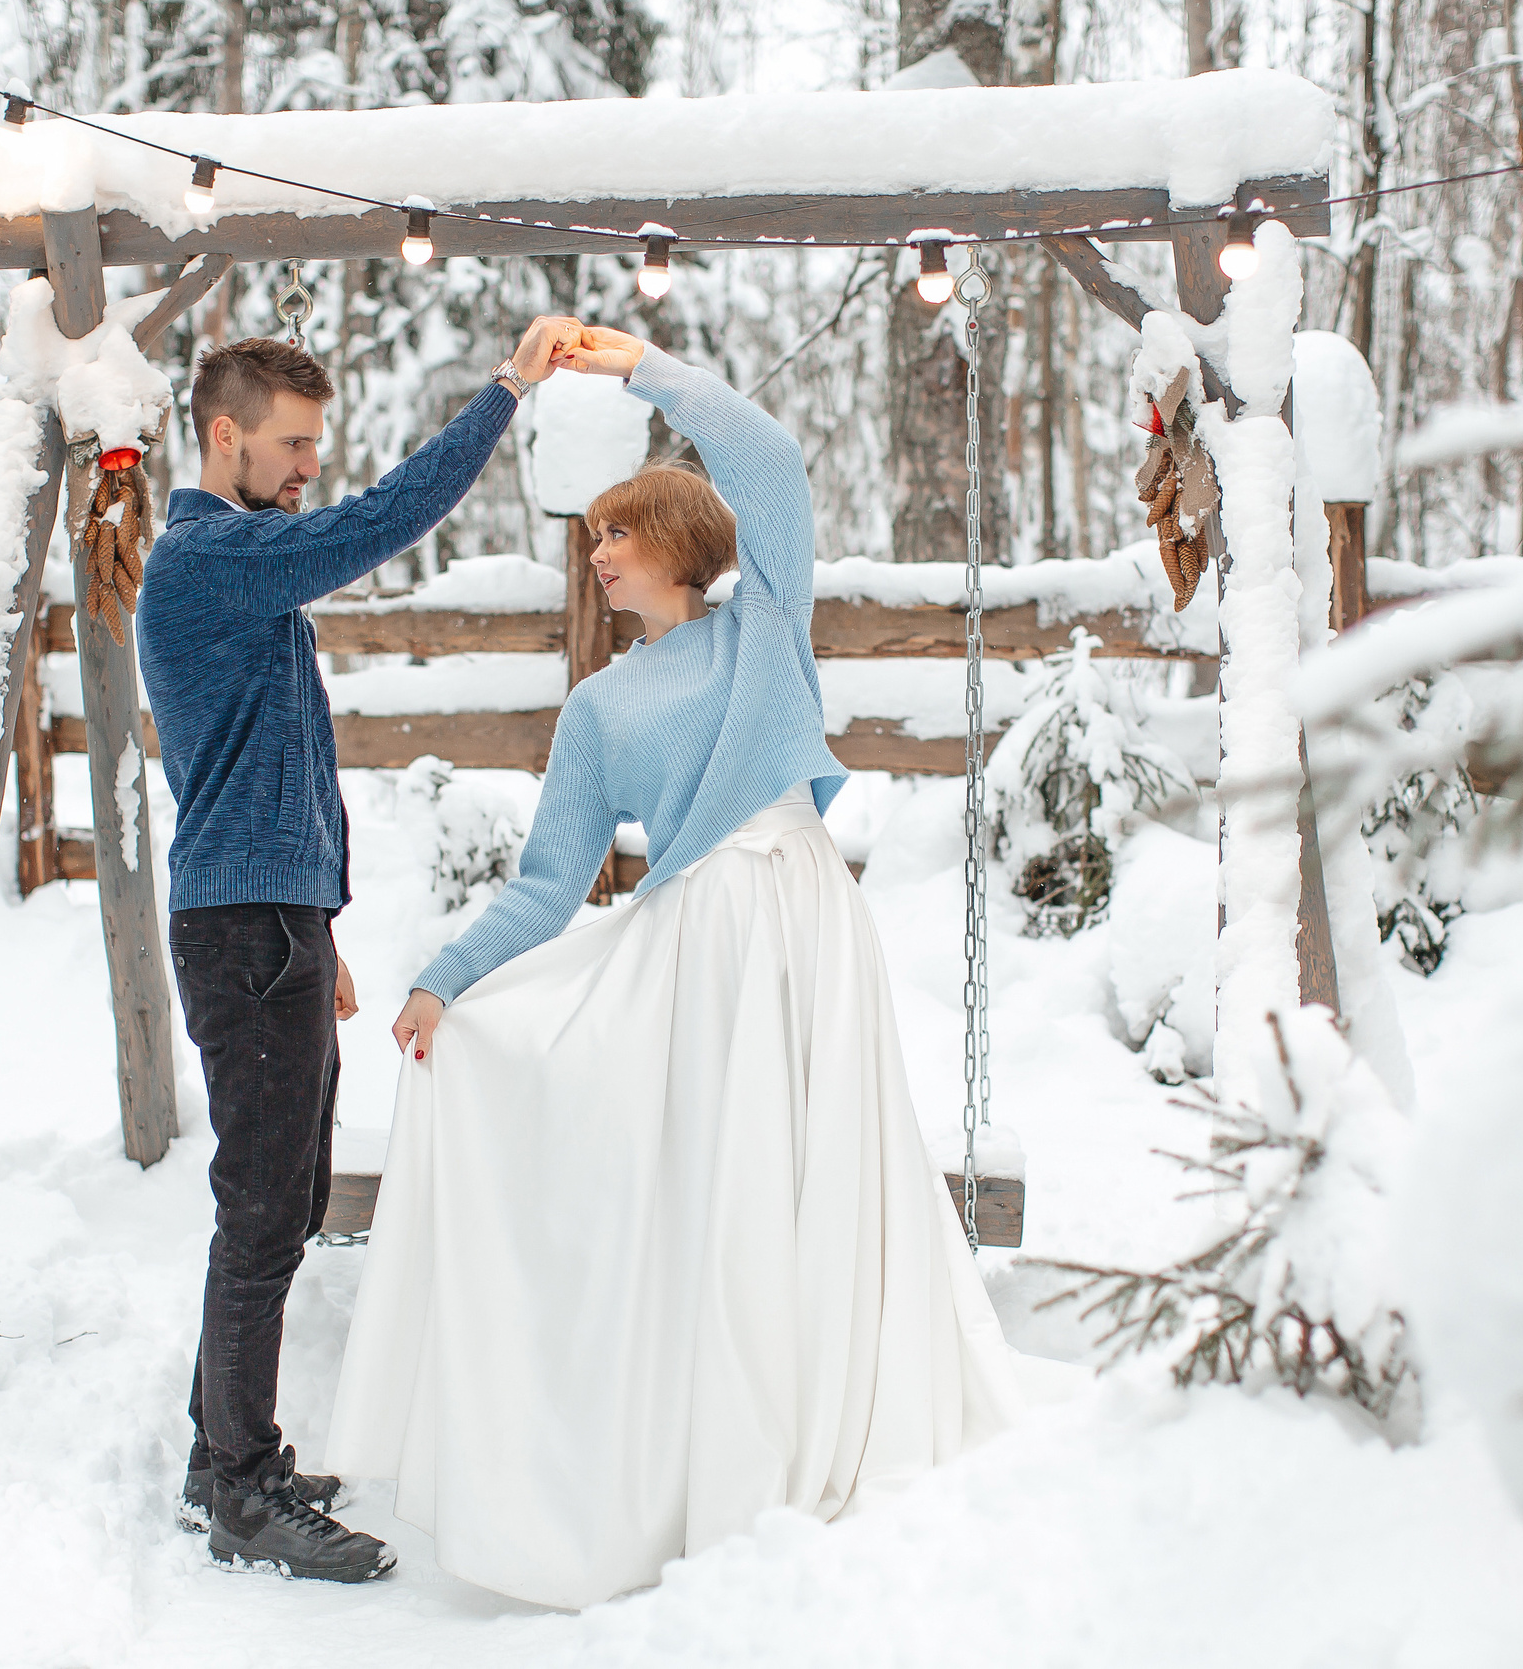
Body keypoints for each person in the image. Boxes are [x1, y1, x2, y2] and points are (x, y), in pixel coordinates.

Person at [326, 326, 1022, 1610]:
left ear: (683, 543)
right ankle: (693, 1451)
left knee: (809, 1167)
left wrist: (638, 366)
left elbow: (770, 460)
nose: (599, 552)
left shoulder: (769, 625)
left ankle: (815, 1423)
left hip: (800, 923)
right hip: (690, 951)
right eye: (595, 534)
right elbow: (549, 882)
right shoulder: (597, 706)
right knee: (711, 1188)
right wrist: (444, 982)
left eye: (621, 530)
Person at [136, 317, 579, 1583]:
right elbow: (384, 520)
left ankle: (221, 1457)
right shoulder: (209, 558)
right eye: (289, 445)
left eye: (314, 446)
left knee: (278, 1199)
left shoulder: (239, 567)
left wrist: (318, 923)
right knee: (264, 1208)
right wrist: (506, 390)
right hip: (241, 929)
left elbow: (278, 762)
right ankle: (241, 1487)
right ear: (223, 434)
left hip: (270, 922)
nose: (307, 467)